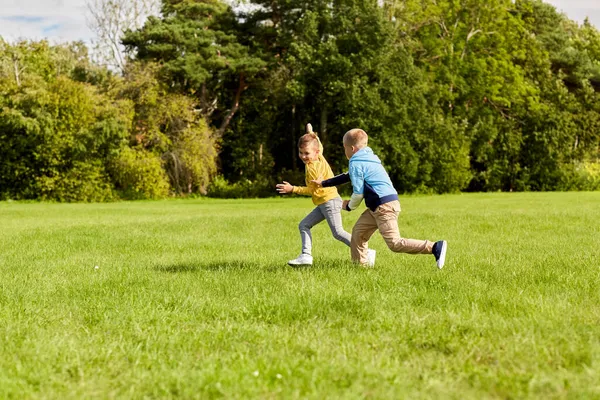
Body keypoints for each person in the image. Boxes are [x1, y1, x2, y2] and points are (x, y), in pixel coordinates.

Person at [312, 128, 447, 268]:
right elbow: (348, 176)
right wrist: (324, 183)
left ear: (351, 148)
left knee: (394, 243)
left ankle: (434, 247)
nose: (344, 151)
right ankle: (359, 267)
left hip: (384, 206)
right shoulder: (369, 158)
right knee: (358, 233)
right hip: (378, 206)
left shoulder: (356, 162)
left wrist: (349, 206)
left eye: (344, 148)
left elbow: (358, 193)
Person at [276, 124, 375, 266]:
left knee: (338, 232)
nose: (303, 156)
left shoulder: (313, 169)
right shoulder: (319, 156)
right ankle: (306, 255)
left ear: (315, 152)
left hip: (329, 201)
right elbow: (319, 145)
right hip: (324, 202)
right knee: (304, 225)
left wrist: (292, 189)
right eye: (301, 152)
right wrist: (311, 133)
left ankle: (366, 252)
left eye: (306, 153)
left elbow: (311, 190)